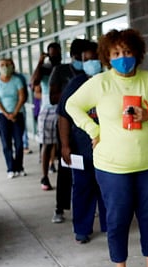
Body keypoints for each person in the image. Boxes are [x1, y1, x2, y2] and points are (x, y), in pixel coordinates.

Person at [65, 28, 148, 267]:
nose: (123, 57)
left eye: (127, 52)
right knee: (118, 217)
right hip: (112, 166)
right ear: (107, 57)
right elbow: (71, 106)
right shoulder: (100, 82)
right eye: (116, 53)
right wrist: (93, 130)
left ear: (137, 53)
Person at [57, 40, 107, 244]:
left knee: (107, 188)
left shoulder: (108, 81)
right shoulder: (76, 84)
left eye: (94, 58)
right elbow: (63, 115)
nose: (91, 62)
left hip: (106, 147)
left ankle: (109, 224)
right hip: (81, 147)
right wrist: (65, 145)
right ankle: (82, 229)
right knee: (83, 188)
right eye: (86, 59)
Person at [47, 39, 90, 222]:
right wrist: (71, 95)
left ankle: (88, 207)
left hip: (87, 128)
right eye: (87, 57)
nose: (91, 61)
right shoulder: (61, 71)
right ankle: (60, 207)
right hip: (67, 126)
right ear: (76, 56)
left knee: (88, 172)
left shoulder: (92, 74)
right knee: (66, 167)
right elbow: (52, 97)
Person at [32, 42, 63, 208]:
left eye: (57, 53)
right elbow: (33, 82)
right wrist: (40, 62)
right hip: (47, 110)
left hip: (64, 110)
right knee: (47, 144)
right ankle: (44, 176)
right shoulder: (44, 69)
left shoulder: (64, 68)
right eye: (52, 54)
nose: (55, 56)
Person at [0, 58, 28, 179]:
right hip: (2, 115)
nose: (5, 67)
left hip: (18, 114)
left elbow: (22, 97)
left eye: (7, 65)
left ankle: (19, 166)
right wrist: (7, 114)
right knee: (6, 143)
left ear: (12, 66)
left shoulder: (17, 80)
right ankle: (10, 168)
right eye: (2, 65)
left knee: (19, 143)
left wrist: (14, 113)